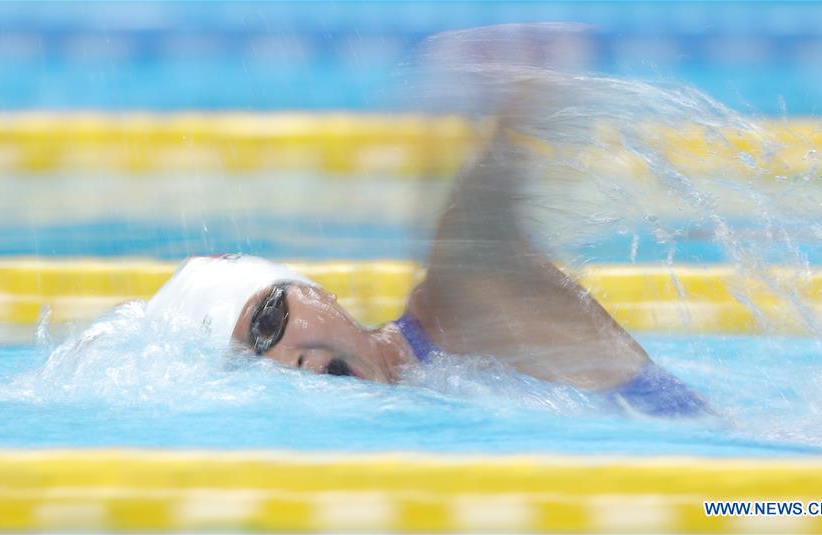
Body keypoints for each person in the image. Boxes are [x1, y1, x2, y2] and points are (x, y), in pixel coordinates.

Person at [145, 118, 708, 418]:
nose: (282, 361)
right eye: (252, 365)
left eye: (268, 322)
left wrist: (512, 101)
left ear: (320, 294)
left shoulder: (458, 309)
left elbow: (479, 217)